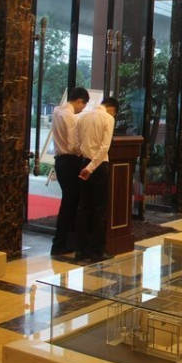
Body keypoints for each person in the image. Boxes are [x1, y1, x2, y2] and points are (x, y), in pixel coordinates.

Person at [75, 97, 118, 262]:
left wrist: (86, 165)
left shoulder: (83, 117)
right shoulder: (108, 118)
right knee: (99, 209)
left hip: (84, 162)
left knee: (83, 207)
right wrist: (92, 167)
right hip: (98, 167)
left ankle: (81, 250)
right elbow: (105, 147)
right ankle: (96, 251)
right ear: (112, 109)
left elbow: (78, 141)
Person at [50, 87, 90, 256]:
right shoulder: (70, 117)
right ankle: (61, 243)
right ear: (79, 101)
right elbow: (73, 144)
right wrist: (84, 150)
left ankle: (62, 242)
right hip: (70, 161)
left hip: (60, 161)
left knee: (68, 201)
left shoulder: (57, 111)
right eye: (83, 105)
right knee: (70, 204)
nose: (82, 109)